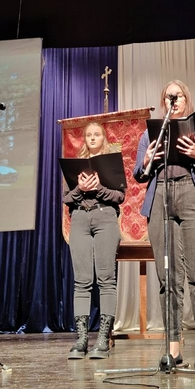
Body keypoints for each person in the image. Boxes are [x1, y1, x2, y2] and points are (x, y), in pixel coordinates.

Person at [134, 80, 195, 368]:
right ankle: (173, 347)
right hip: (161, 197)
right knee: (169, 279)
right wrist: (147, 161)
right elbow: (138, 174)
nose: (173, 100)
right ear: (164, 101)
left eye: (178, 96)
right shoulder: (150, 134)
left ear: (186, 99)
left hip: (193, 194)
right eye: (168, 96)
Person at [63, 122, 125, 359]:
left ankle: (102, 340)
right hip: (80, 219)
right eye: (88, 135)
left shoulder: (111, 163)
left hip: (105, 217)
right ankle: (81, 340)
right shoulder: (76, 166)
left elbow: (119, 196)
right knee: (81, 281)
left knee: (106, 279)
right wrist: (80, 189)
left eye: (96, 134)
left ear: (103, 138)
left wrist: (98, 188)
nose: (92, 138)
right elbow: (66, 198)